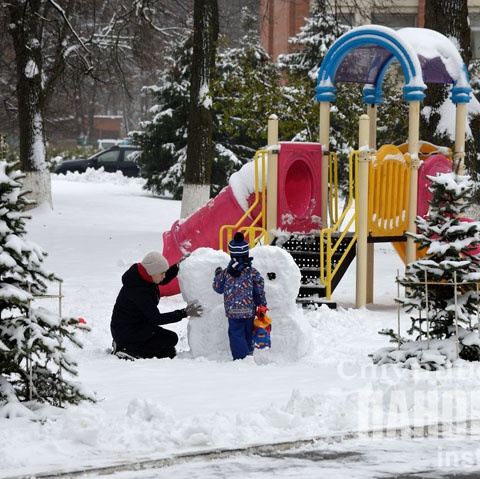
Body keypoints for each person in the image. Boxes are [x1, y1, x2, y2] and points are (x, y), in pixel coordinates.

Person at [111, 251, 202, 360]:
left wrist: (178, 266)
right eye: (162, 273)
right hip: (126, 330)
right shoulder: (139, 291)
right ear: (152, 272)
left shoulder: (143, 276)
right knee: (170, 339)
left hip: (138, 325)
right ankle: (127, 350)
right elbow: (156, 318)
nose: (164, 275)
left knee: (168, 350)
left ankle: (127, 345)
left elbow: (162, 279)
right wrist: (184, 313)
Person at [213, 232, 267, 360]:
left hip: (233, 311)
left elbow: (218, 288)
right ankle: (248, 352)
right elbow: (259, 290)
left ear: (231, 255)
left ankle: (241, 358)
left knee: (236, 334)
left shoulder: (226, 273)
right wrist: (262, 304)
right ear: (246, 254)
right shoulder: (252, 273)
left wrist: (217, 275)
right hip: (249, 311)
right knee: (248, 332)